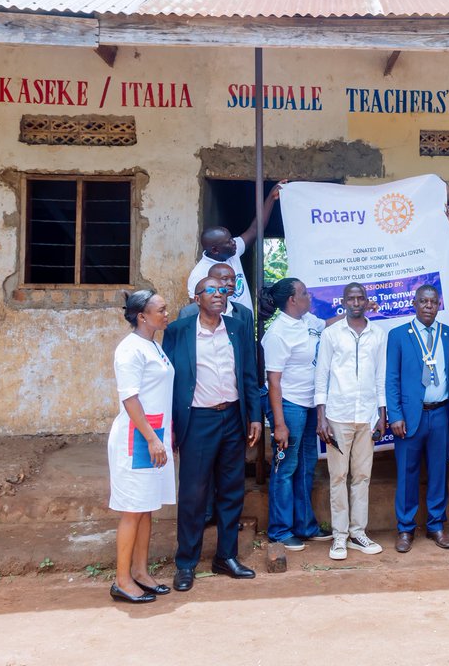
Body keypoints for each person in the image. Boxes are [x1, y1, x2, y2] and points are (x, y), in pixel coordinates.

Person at [162, 275, 263, 592]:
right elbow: (169, 381)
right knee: (193, 493)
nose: (219, 295)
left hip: (233, 417)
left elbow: (249, 375)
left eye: (223, 290)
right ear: (196, 298)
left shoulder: (236, 328)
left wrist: (255, 418)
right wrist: (171, 428)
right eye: (211, 290)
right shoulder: (178, 333)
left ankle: (226, 556)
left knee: (232, 489)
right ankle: (186, 563)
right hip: (198, 420)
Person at [107, 289, 175, 604]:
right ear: (142, 316)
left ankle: (141, 571)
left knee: (147, 508)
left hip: (154, 434)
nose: (166, 313)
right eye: (160, 309)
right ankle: (122, 580)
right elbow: (130, 398)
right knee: (132, 510)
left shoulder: (153, 346)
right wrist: (151, 438)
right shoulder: (129, 350)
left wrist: (160, 437)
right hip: (138, 437)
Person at [314, 283, 388, 561]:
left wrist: (382, 413)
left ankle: (358, 532)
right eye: (351, 298)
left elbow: (381, 376)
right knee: (338, 476)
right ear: (343, 302)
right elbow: (321, 377)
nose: (356, 302)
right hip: (338, 415)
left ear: (368, 302)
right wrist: (321, 416)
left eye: (361, 298)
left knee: (362, 476)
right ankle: (339, 537)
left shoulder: (378, 334)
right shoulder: (332, 334)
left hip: (367, 415)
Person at [386, 284, 449, 553]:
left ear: (439, 304)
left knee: (439, 472)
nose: (428, 306)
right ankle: (405, 528)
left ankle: (436, 524)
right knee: (407, 473)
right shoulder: (398, 335)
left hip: (441, 413)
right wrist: (395, 415)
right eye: (423, 302)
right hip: (410, 416)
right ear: (414, 304)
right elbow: (391, 378)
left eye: (432, 302)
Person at [261, 277, 331, 550]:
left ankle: (305, 526)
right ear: (292, 300)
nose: (309, 295)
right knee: (286, 467)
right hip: (288, 406)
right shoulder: (278, 333)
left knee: (306, 465)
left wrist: (355, 311)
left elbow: (326, 325)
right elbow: (274, 381)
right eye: (304, 292)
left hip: (309, 404)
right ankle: (280, 530)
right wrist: (279, 424)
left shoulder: (307, 320)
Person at [185, 181, 284, 308]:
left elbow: (255, 230)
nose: (234, 243)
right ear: (215, 250)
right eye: (229, 242)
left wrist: (271, 197)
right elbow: (195, 309)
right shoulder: (199, 274)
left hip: (244, 323)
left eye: (232, 238)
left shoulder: (232, 251)